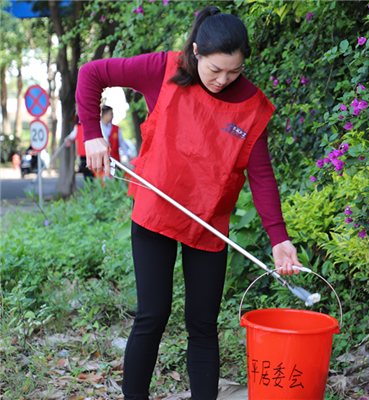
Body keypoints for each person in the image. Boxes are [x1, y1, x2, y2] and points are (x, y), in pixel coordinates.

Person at [76, 6, 302, 400]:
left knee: (202, 324)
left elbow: (261, 175)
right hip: (155, 212)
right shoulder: (161, 69)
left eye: (233, 72)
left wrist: (279, 238)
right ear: (196, 51)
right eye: (215, 70)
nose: (223, 80)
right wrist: (91, 133)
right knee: (152, 315)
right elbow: (91, 73)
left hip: (209, 222)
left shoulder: (253, 106)